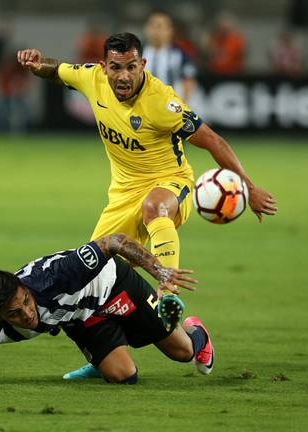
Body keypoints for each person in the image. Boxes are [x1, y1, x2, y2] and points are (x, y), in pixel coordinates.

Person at [17, 33, 276, 379]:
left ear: (143, 65)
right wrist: (37, 63)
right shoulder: (92, 79)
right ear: (103, 67)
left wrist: (249, 186)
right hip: (122, 194)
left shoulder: (162, 103)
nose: (123, 76)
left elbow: (212, 140)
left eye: (130, 67)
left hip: (171, 183)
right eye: (115, 68)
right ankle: (111, 354)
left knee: (154, 208)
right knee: (90, 280)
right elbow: (55, 70)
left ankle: (167, 294)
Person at [0, 233, 213, 388]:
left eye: (25, 301)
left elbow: (116, 241)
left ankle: (195, 330)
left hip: (113, 285)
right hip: (80, 318)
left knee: (182, 353)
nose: (27, 314)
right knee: (124, 377)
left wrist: (159, 271)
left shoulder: (57, 275)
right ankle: (105, 356)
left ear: (25, 289)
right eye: (15, 313)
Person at [143, 10, 197, 103]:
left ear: (170, 30)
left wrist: (182, 104)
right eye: (153, 26)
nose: (156, 31)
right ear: (146, 28)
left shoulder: (180, 54)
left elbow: (189, 80)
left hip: (169, 107)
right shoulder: (137, 53)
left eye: (160, 26)